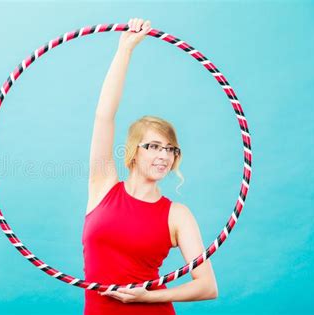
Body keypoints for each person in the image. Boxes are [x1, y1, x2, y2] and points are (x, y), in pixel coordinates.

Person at [81, 18, 218, 315]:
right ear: (132, 152)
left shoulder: (177, 215)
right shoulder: (102, 186)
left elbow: (207, 286)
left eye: (170, 149)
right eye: (153, 146)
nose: (163, 155)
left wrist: (146, 297)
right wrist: (125, 50)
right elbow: (104, 115)